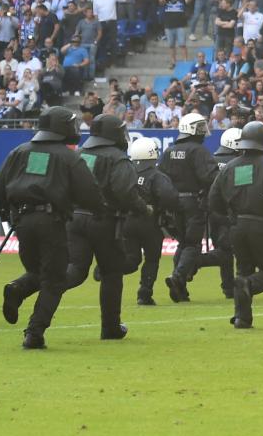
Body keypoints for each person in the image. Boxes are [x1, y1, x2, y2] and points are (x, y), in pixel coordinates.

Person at [0, 106, 104, 349]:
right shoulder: (69, 157)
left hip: (22, 222)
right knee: (54, 279)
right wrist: (98, 210)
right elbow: (89, 191)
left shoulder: (18, 151)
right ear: (62, 128)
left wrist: (10, 217)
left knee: (39, 271)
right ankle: (34, 332)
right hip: (51, 222)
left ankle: (17, 289)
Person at [62, 114, 146, 340]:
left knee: (75, 271)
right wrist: (142, 208)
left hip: (75, 218)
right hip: (104, 221)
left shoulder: (79, 154)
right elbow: (125, 192)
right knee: (111, 273)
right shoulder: (118, 158)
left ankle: (30, 287)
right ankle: (110, 327)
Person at [207, 121, 263, 328]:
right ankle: (248, 285)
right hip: (262, 226)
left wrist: (229, 219)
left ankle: (242, 318)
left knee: (243, 269)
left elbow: (213, 200)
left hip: (237, 227)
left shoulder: (231, 166)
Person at [160, 112, 217, 303]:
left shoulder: (169, 151)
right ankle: (178, 276)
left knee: (183, 243)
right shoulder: (198, 151)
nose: (203, 132)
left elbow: (161, 178)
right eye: (200, 128)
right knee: (192, 244)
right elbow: (210, 177)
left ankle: (180, 288)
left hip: (174, 202)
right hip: (193, 202)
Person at [123, 136, 180, 306]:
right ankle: (144, 293)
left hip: (127, 221)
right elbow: (169, 196)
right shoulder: (156, 176)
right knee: (152, 259)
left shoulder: (126, 173)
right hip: (149, 222)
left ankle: (110, 269)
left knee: (132, 259)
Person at [203, 126, 242, 298]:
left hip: (212, 211)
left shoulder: (212, 159)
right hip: (229, 212)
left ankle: (228, 287)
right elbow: (240, 189)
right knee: (227, 250)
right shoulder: (238, 163)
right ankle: (193, 263)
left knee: (223, 250)